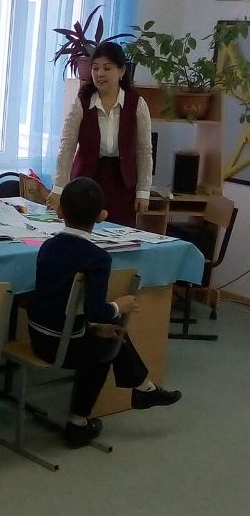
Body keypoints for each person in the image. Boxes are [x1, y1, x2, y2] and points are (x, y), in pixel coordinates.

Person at [28, 177, 181, 448]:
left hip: (38, 337)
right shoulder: (98, 258)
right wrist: (119, 305)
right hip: (65, 345)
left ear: (60, 211)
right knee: (109, 342)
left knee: (108, 335)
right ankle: (84, 419)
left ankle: (143, 388)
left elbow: (58, 303)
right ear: (102, 216)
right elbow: (97, 310)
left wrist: (94, 326)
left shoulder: (47, 247)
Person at [47, 43, 153, 227]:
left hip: (122, 184)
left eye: (107, 68)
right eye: (95, 68)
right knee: (83, 233)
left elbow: (144, 150)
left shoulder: (137, 104)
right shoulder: (82, 102)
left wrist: (143, 192)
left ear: (122, 71)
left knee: (120, 237)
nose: (99, 73)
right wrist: (59, 188)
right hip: (86, 182)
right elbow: (67, 146)